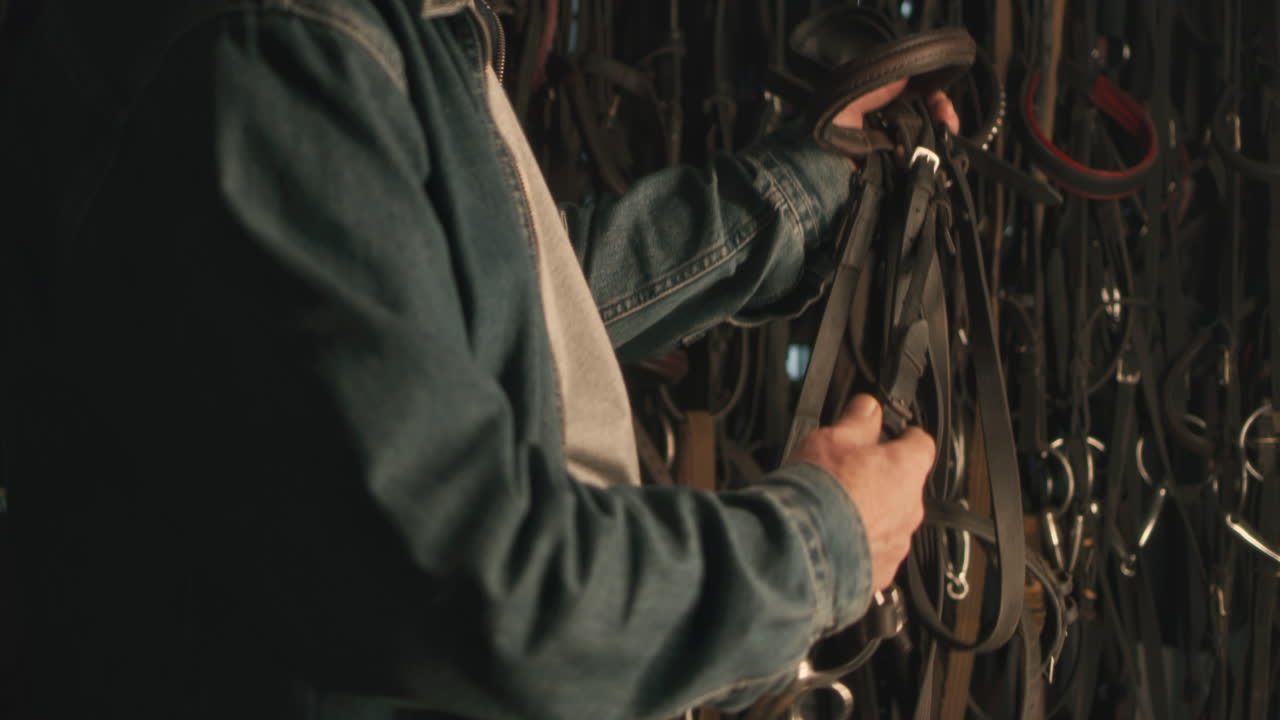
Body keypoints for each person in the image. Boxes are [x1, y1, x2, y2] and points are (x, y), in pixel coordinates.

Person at [0, 1, 954, 718]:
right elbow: (477, 578)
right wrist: (819, 546)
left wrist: (797, 195)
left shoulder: (382, 31)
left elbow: (492, 292)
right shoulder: (271, 55)